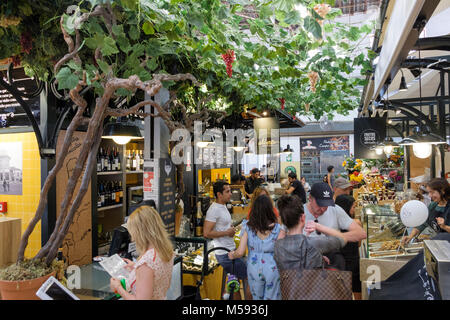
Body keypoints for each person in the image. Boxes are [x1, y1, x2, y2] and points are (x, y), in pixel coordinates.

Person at [110, 205, 174, 300]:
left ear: (140, 232)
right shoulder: (165, 250)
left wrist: (118, 287)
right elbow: (155, 278)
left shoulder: (146, 263)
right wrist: (135, 268)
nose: (132, 236)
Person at [229, 195, 284, 300]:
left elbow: (240, 252)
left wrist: (232, 255)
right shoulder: (278, 228)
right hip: (273, 267)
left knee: (256, 297)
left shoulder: (248, 227)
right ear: (270, 209)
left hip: (254, 268)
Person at [274, 195, 348, 272]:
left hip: (288, 283)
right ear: (303, 218)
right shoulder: (313, 243)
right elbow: (342, 239)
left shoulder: (278, 245)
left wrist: (318, 257)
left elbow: (294, 263)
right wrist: (319, 226)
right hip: (312, 283)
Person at [203, 181, 250, 299]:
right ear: (219, 194)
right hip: (224, 253)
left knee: (233, 283)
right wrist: (226, 232)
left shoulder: (223, 206)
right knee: (249, 275)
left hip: (231, 250)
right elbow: (206, 233)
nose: (230, 194)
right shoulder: (213, 210)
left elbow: (222, 227)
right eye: (227, 191)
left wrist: (230, 230)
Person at [303, 182, 366, 270]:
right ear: (310, 198)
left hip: (333, 264)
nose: (323, 209)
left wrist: (338, 237)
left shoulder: (335, 210)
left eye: (326, 205)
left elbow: (361, 233)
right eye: (320, 204)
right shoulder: (299, 213)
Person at [402, 178, 450, 244]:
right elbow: (424, 223)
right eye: (429, 192)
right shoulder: (433, 205)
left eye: (432, 192)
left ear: (442, 191)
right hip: (440, 244)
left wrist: (445, 227)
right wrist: (410, 236)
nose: (430, 195)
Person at [335, 194, 362, 300]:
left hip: (339, 263)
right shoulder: (356, 223)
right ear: (346, 208)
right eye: (353, 207)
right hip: (354, 261)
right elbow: (359, 244)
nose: (354, 209)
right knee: (356, 289)